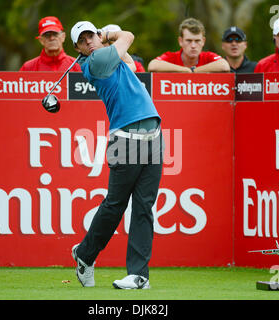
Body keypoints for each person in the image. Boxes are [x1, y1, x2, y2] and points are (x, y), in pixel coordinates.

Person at [70, 21, 163, 290]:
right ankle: (86, 255)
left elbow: (132, 65)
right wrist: (108, 35)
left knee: (144, 207)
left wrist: (108, 41)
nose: (89, 41)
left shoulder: (111, 56)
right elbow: (130, 34)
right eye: (83, 40)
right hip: (125, 140)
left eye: (91, 35)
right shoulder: (95, 62)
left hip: (154, 137)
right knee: (115, 205)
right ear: (78, 48)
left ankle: (138, 275)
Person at [147, 18, 230, 73]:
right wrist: (184, 70)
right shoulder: (172, 57)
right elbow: (152, 66)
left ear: (203, 41)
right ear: (180, 41)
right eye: (189, 41)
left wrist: (194, 71)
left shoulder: (208, 56)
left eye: (197, 41)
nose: (193, 45)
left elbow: (225, 66)